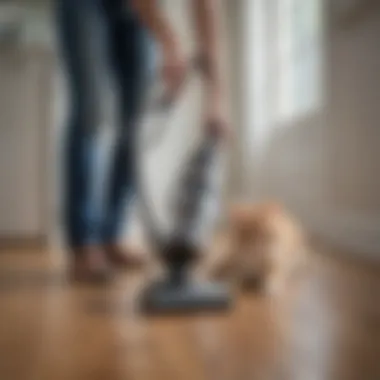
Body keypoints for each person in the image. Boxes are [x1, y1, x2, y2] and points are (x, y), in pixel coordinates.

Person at [56, 0, 229, 283]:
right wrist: (170, 43)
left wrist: (217, 101)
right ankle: (84, 243)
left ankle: (112, 235)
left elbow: (208, 11)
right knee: (92, 111)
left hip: (135, 11)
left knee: (135, 121)